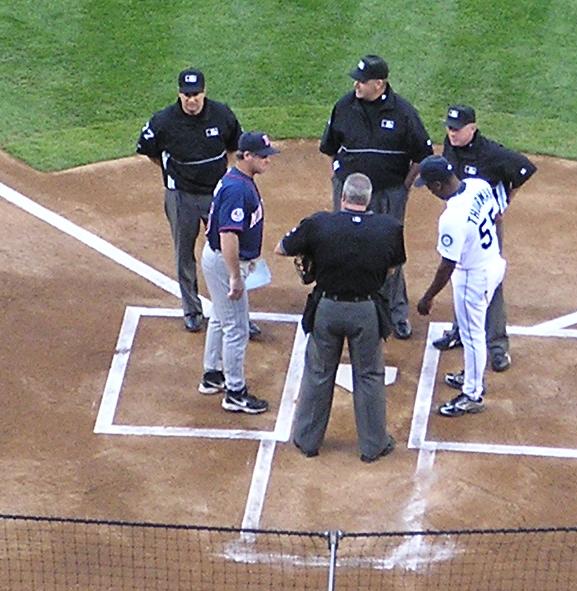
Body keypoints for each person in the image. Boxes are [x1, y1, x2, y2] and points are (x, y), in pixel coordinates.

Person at [275, 172, 405, 461]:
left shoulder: (319, 223)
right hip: (366, 310)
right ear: (368, 200)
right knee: (370, 376)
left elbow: (281, 248)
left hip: (327, 308)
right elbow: (393, 269)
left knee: (319, 373)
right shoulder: (389, 227)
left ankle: (308, 440)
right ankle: (373, 446)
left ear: (343, 197)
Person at [136, 68, 261, 338]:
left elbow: (235, 147)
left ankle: (239, 313)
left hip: (216, 195)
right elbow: (147, 150)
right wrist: (173, 174)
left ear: (205, 92)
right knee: (184, 253)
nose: (191, 100)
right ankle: (191, 310)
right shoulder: (163, 121)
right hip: (181, 196)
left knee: (229, 250)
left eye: (196, 95)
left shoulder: (221, 115)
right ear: (179, 94)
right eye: (186, 95)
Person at [319, 54, 433, 340]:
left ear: (379, 84)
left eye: (362, 81)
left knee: (388, 250)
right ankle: (347, 303)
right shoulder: (344, 107)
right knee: (344, 242)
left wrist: (404, 186)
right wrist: (340, 175)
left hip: (388, 192)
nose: (356, 85)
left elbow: (423, 155)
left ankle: (396, 312)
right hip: (350, 191)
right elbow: (331, 146)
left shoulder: (403, 112)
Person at [433, 104, 536, 385]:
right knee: (458, 276)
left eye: (457, 128)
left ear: (473, 128)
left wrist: (505, 202)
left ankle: (498, 346)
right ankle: (459, 330)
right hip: (461, 224)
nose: (451, 133)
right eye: (449, 127)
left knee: (487, 281)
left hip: (484, 225)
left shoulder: (491, 153)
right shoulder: (451, 145)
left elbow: (525, 169)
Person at [416, 156, 508, 417]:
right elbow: (498, 217)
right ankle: (472, 375)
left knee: (471, 335)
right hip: (492, 264)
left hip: (473, 277)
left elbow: (447, 264)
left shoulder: (452, 218)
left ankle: (473, 394)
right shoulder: (478, 185)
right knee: (472, 333)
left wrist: (428, 297)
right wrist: (496, 254)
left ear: (436, 185)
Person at [197, 132, 279, 414]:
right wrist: (235, 275)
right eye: (263, 155)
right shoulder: (237, 189)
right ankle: (235, 392)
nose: (268, 160)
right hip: (225, 261)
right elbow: (228, 235)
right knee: (237, 328)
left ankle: (212, 374)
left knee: (221, 318)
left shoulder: (239, 180)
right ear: (246, 156)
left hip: (220, 260)